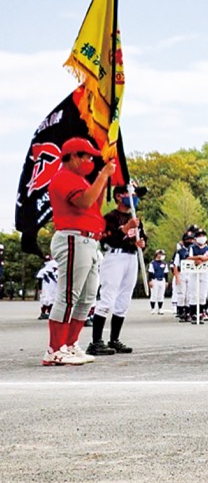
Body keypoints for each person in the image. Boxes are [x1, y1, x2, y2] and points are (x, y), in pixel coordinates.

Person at [42, 138, 118, 366]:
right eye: (87, 156)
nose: (90, 161)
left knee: (86, 298)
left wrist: (102, 180)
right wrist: (103, 175)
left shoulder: (79, 179)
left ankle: (69, 344)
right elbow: (84, 202)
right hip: (74, 237)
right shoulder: (64, 177)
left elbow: (93, 203)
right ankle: (55, 349)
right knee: (68, 296)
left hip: (87, 240)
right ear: (73, 156)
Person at [89, 186, 148, 356]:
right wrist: (124, 228)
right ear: (119, 196)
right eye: (131, 195)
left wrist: (141, 244)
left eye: (136, 196)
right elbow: (107, 238)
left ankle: (114, 339)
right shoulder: (110, 217)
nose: (134, 198)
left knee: (123, 300)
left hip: (131, 257)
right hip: (114, 257)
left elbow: (142, 237)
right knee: (108, 297)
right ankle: (96, 341)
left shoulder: (135, 218)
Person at [37, 254, 58, 320]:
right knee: (46, 300)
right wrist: (40, 288)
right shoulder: (43, 271)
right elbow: (39, 280)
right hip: (46, 288)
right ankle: (43, 313)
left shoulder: (57, 271)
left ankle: (50, 313)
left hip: (54, 287)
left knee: (52, 300)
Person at [148, 249, 168, 314]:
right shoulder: (153, 263)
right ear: (157, 255)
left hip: (162, 280)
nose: (162, 256)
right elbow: (150, 272)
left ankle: (160, 309)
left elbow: (166, 273)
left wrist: (166, 281)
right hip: (155, 280)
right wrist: (150, 280)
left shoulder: (164, 263)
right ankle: (153, 308)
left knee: (161, 295)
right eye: (161, 254)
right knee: (154, 295)